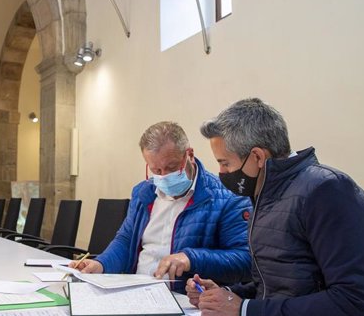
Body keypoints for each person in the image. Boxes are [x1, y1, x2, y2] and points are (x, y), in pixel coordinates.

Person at [187, 98, 364, 316]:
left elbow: (354, 301)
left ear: (258, 157)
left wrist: (244, 311)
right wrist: (225, 295)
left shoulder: (326, 191)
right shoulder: (267, 195)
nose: (221, 172)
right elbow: (280, 285)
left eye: (225, 163)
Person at [70, 121, 252, 292]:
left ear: (189, 155)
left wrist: (190, 258)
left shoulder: (228, 198)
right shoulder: (143, 193)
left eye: (172, 167)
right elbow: (126, 240)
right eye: (156, 170)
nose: (164, 176)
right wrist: (101, 264)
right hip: (134, 290)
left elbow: (245, 260)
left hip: (184, 300)